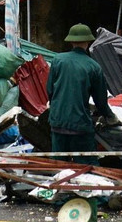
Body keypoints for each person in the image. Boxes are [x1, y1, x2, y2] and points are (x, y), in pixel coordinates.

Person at [46, 24, 111, 161]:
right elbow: (101, 102)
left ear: (71, 42)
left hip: (58, 123)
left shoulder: (57, 60)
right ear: (88, 42)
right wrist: (110, 117)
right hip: (80, 126)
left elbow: (50, 91)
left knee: (58, 167)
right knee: (86, 167)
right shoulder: (93, 66)